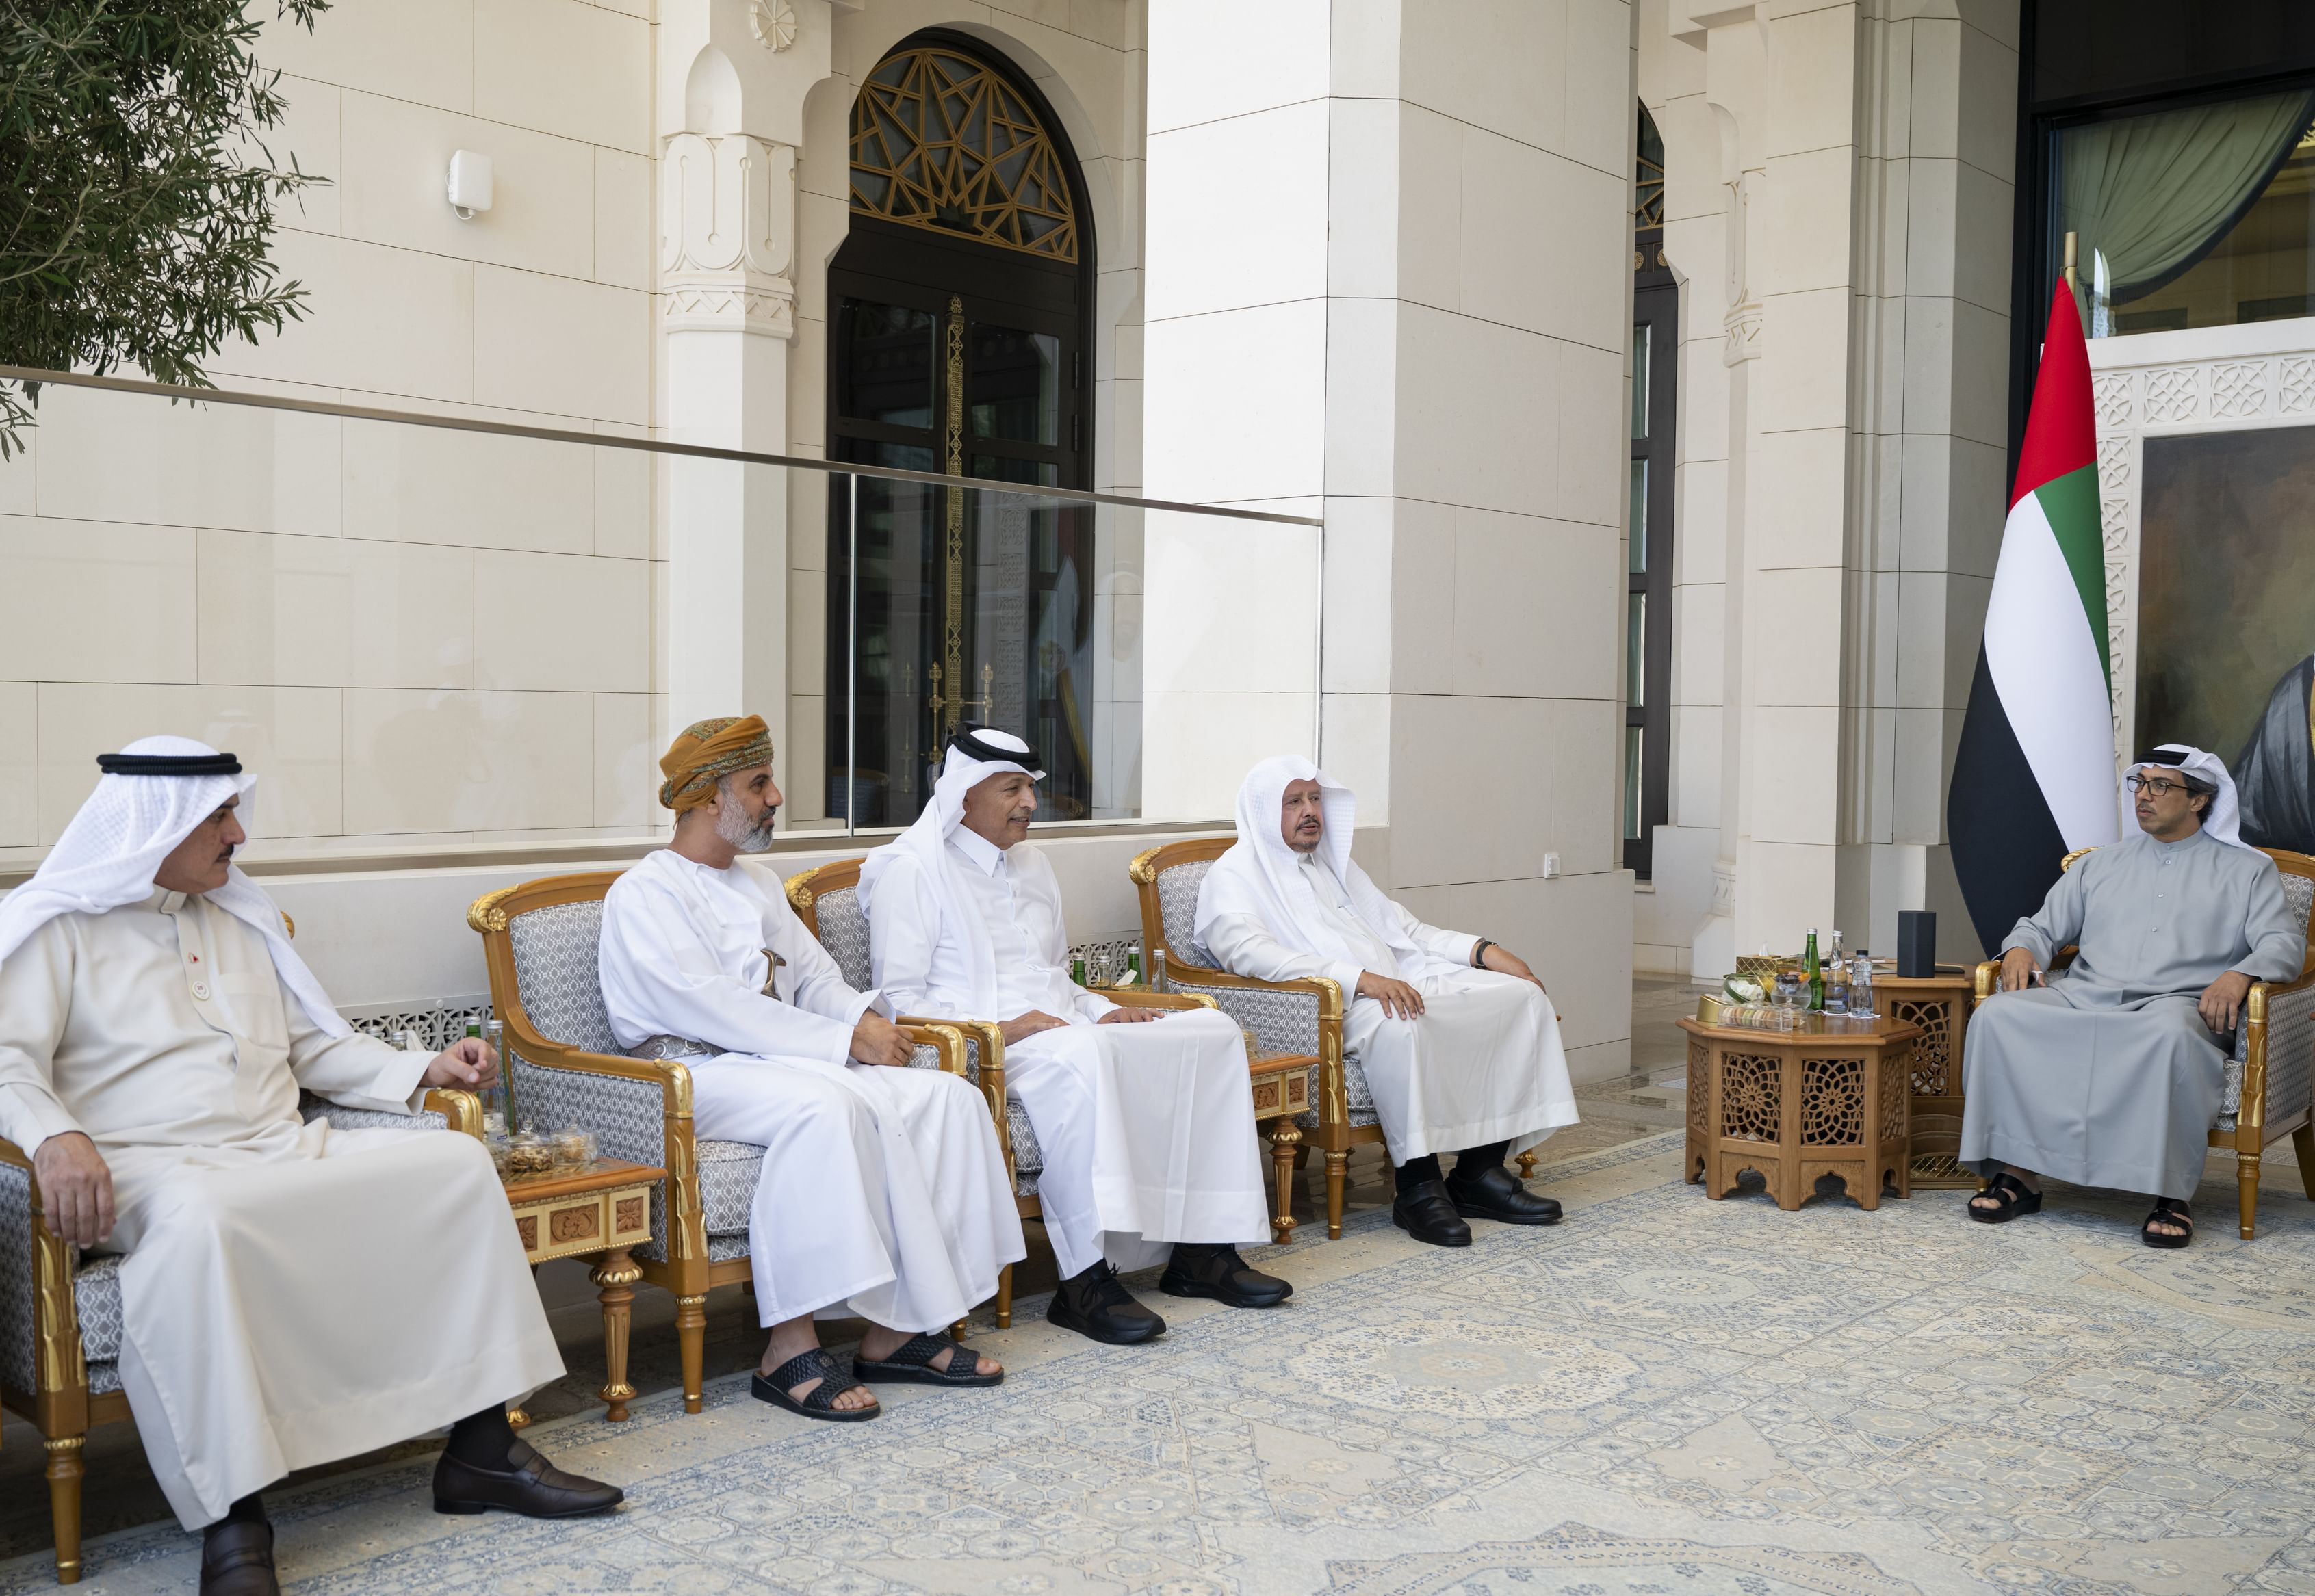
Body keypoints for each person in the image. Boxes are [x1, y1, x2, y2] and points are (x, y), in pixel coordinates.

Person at [0, 739, 619, 1596]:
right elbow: (8, 1061)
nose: (238, 834)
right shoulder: (55, 927)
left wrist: (423, 1070)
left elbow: (311, 1046)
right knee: (204, 1219)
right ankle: (236, 1519)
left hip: (279, 1144)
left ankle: (483, 1450)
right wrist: (51, 1136)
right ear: (158, 824)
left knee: (452, 1162)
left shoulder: (240, 918)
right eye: (219, 816)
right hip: (152, 1167)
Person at [597, 718, 1024, 1420]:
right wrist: (839, 1044)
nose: (775, 796)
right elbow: (712, 1007)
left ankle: (897, 1332)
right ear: (707, 796)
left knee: (945, 1096)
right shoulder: (644, 893)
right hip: (691, 1073)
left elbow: (816, 978)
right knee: (826, 1105)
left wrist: (861, 1022)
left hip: (781, 1057)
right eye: (757, 783)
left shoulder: (758, 883)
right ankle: (786, 1348)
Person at [861, 728, 1288, 1345]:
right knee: (1080, 1054)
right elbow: (897, 1005)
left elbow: (1054, 977)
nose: (1029, 804)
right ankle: (1084, 1279)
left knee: (1210, 1030)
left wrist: (1101, 1008)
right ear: (963, 797)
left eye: (1029, 789)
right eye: (1011, 789)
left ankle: (1202, 1252)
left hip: (1064, 1029)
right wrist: (1011, 1027)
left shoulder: (1033, 864)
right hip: (984, 1047)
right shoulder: (911, 869)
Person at [1193, 756, 1580, 1247]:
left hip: (1398, 979)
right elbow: (1248, 953)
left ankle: (1479, 1172)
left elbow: (1404, 928)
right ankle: (1418, 1188)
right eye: (1294, 802)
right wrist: (1359, 979)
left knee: (1520, 997)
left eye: (1314, 798)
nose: (1310, 810)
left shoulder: (1333, 863)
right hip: (1328, 1007)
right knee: (1400, 1023)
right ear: (1264, 811)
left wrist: (1482, 950)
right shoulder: (1233, 876)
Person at [1962, 744, 2305, 1247]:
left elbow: (2283, 944)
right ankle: (2018, 1173)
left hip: (2176, 1005)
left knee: (2168, 1037)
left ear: (2198, 801)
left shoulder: (2246, 870)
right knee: (1997, 1016)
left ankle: (2169, 1195)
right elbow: (2041, 926)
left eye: (2160, 786)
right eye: (2139, 784)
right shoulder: (2098, 864)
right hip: (2083, 994)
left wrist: (2238, 974)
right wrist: (2019, 949)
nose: (2143, 796)